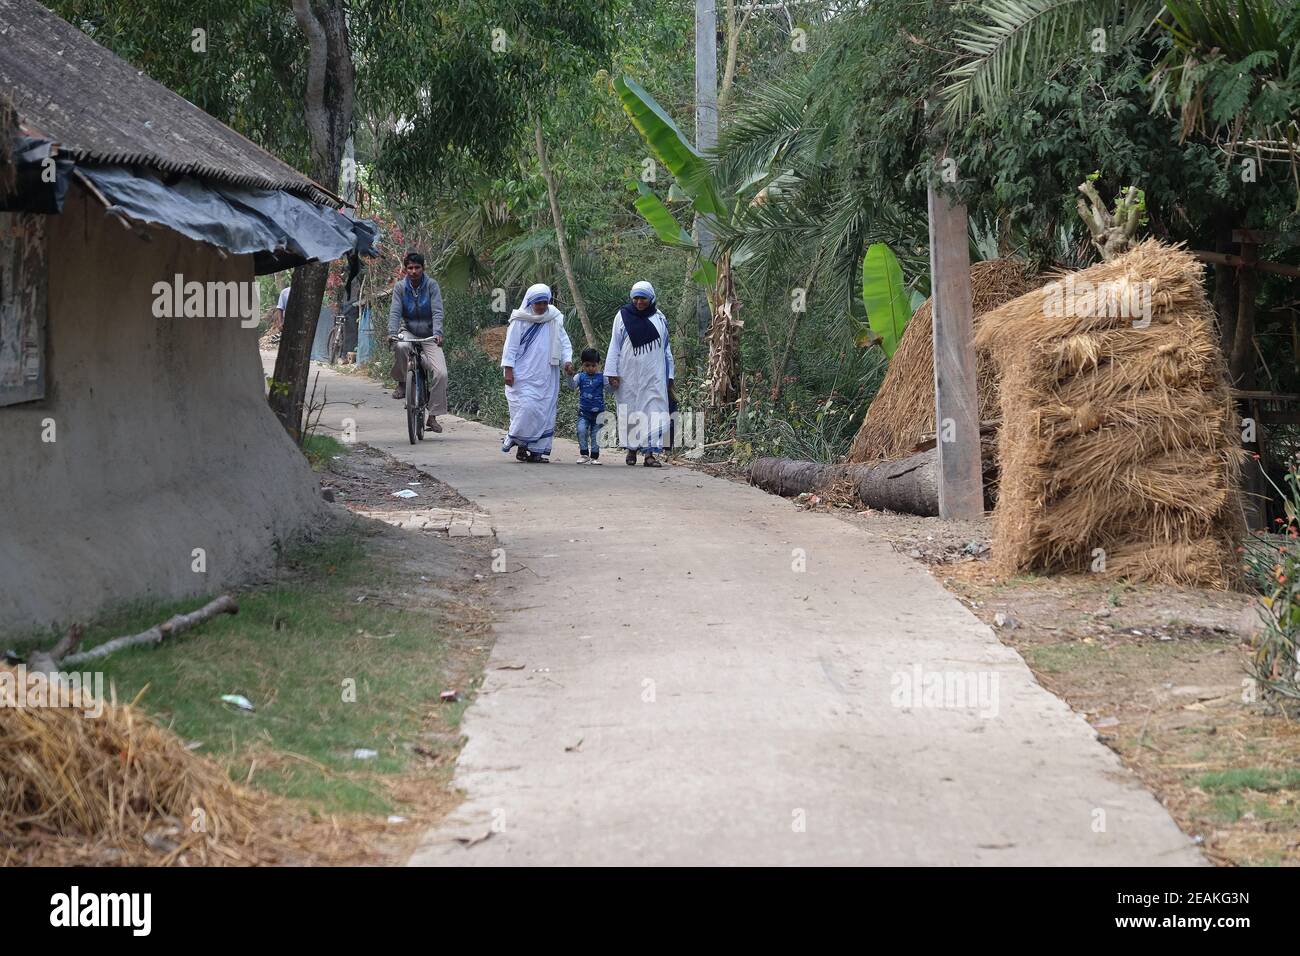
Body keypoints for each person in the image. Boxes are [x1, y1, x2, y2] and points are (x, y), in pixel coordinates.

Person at [605, 280, 675, 468]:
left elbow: (666, 349)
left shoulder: (660, 318)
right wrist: (611, 373)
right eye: (635, 298)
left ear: (651, 298)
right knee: (630, 411)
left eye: (643, 298)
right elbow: (615, 344)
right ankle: (631, 450)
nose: (639, 302)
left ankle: (650, 454)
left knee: (654, 411)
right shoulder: (622, 316)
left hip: (654, 376)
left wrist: (670, 376)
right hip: (628, 375)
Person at [501, 283, 573, 463]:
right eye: (538, 303)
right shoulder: (519, 320)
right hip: (523, 375)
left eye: (544, 303)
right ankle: (519, 443)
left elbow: (563, 341)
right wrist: (508, 370)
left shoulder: (554, 317)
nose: (541, 306)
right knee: (527, 408)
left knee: (544, 412)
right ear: (530, 302)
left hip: (548, 374)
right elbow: (510, 347)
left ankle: (536, 451)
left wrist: (567, 360)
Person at [387, 251, 448, 433]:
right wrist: (391, 332)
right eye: (410, 268)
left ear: (423, 268)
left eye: (417, 268)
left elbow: (437, 311)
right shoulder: (399, 287)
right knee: (401, 345)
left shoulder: (431, 285)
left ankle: (433, 416)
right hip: (409, 331)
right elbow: (395, 312)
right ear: (405, 269)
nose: (413, 271)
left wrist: (438, 332)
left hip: (430, 334)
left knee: (441, 373)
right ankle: (403, 382)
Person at [571, 347, 609, 465]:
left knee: (596, 435)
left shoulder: (602, 377)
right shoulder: (579, 377)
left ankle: (594, 457)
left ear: (598, 365)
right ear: (582, 365)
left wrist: (614, 383)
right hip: (584, 413)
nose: (590, 368)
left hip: (599, 413)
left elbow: (610, 390)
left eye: (593, 365)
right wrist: (569, 376)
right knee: (581, 430)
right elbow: (572, 386)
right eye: (587, 365)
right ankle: (584, 454)